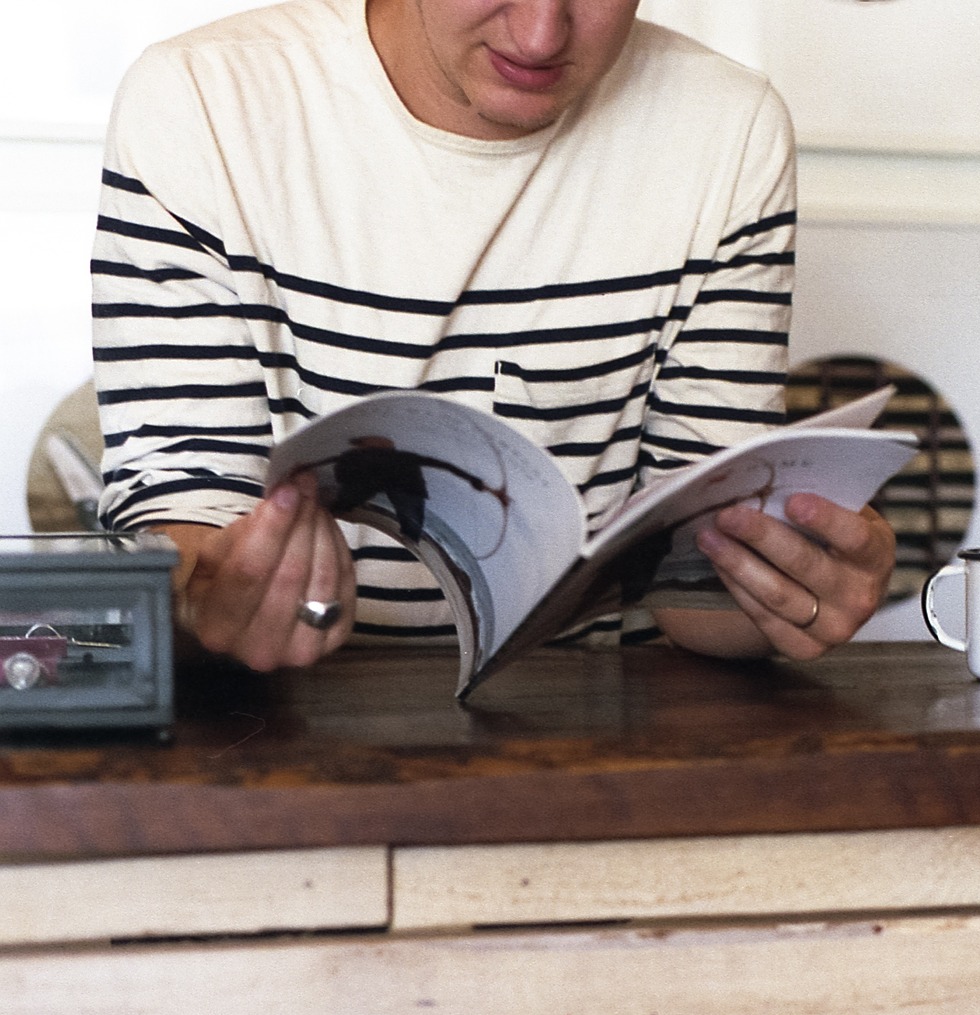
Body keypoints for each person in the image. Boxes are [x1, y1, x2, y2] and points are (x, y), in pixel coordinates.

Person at [90, 0, 896, 672]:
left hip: (586, 734)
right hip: (280, 736)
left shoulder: (729, 129)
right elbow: (177, 508)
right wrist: (212, 599)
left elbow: (694, 591)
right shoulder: (201, 102)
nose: (543, 34)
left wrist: (796, 583)